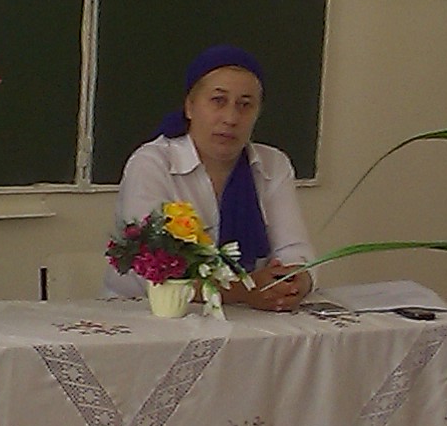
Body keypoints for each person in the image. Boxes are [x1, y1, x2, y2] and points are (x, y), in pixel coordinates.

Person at [105, 45, 315, 311]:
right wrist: (244, 290)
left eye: (245, 105)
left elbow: (294, 250)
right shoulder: (152, 163)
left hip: (247, 314)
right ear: (190, 107)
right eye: (218, 101)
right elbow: (154, 269)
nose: (231, 118)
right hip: (147, 314)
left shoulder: (273, 165)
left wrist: (294, 281)